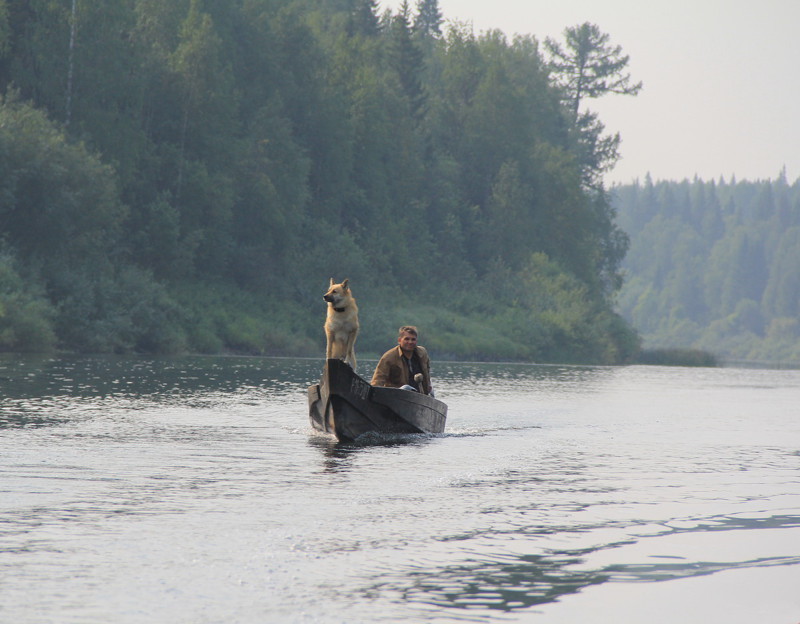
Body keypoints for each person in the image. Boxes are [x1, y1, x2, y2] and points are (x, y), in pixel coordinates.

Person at [371, 326, 433, 395]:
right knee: (405, 387)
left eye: (413, 339)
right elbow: (378, 379)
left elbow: (427, 370)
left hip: (421, 395)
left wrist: (428, 385)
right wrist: (374, 393)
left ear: (416, 341)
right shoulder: (389, 357)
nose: (410, 342)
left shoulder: (422, 353)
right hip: (398, 396)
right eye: (407, 339)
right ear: (399, 340)